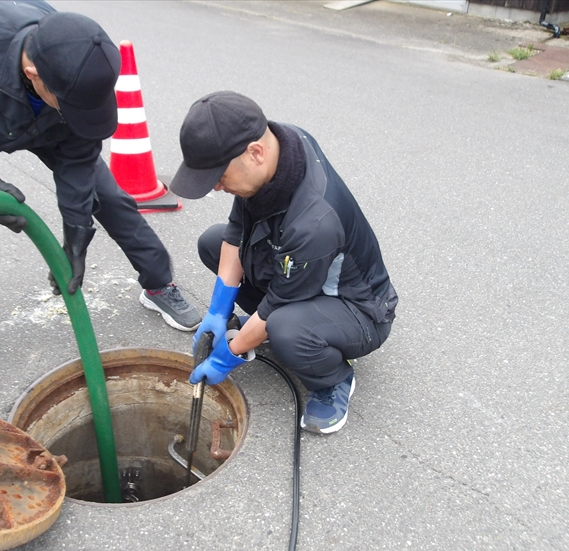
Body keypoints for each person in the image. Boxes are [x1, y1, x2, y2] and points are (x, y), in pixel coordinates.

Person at [0, 0, 201, 395]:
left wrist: (76, 233)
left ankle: (158, 284)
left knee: (110, 200)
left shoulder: (81, 58)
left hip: (54, 125)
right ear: (32, 73)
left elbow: (79, 161)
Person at [170, 91, 398, 434]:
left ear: (255, 153)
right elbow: (236, 230)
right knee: (213, 244)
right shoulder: (278, 146)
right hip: (302, 271)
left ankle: (334, 380)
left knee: (284, 327)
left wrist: (227, 356)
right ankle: (277, 327)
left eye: (219, 176)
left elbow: (278, 303)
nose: (216, 187)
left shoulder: (314, 221)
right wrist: (217, 311)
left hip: (358, 308)